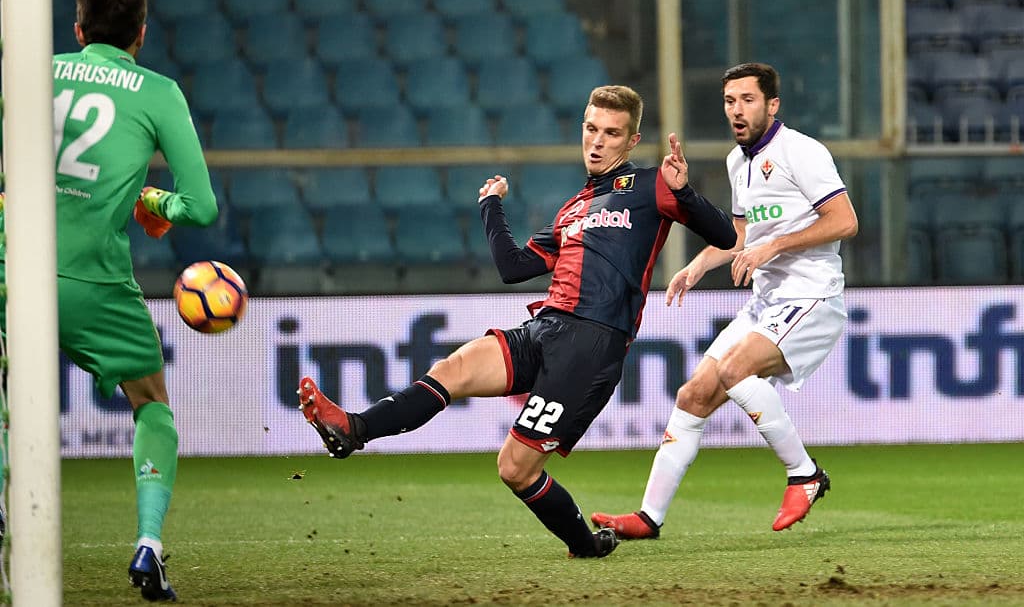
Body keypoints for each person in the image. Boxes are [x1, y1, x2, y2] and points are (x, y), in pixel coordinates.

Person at [299, 85, 737, 558]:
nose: (597, 141)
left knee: (515, 468)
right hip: (545, 327)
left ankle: (585, 546)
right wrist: (491, 206)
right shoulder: (572, 208)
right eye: (591, 129)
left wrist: (686, 193)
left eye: (611, 133)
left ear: (630, 142)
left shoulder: (652, 187)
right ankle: (352, 429)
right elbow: (513, 268)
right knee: (454, 368)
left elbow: (726, 234)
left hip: (590, 344)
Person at [1, 0, 218, 601]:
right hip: (92, 280)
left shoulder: (35, 71)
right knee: (152, 404)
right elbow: (200, 207)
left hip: (13, 263)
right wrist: (155, 201)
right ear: (142, 35)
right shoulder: (158, 92)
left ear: (76, 30)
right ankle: (148, 545)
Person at [590, 62, 859, 540]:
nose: (737, 110)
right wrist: (698, 265)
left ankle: (805, 474)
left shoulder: (802, 152)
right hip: (766, 300)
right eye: (730, 101)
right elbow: (740, 235)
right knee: (693, 395)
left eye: (748, 100)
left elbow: (844, 221)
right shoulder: (739, 162)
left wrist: (773, 246)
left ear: (772, 105)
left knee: (736, 371)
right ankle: (648, 517)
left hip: (812, 295)